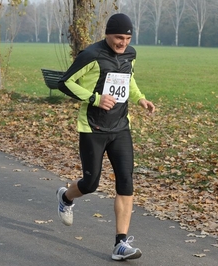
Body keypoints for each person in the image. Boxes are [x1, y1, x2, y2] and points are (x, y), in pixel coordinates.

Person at [56, 13, 155, 261]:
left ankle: (120, 244)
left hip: (121, 127)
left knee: (126, 180)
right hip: (93, 128)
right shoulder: (91, 55)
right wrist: (95, 99)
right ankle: (65, 197)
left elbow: (128, 80)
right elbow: (65, 83)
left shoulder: (130, 55)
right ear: (108, 34)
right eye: (118, 37)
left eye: (128, 38)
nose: (123, 43)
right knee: (91, 184)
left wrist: (140, 98)